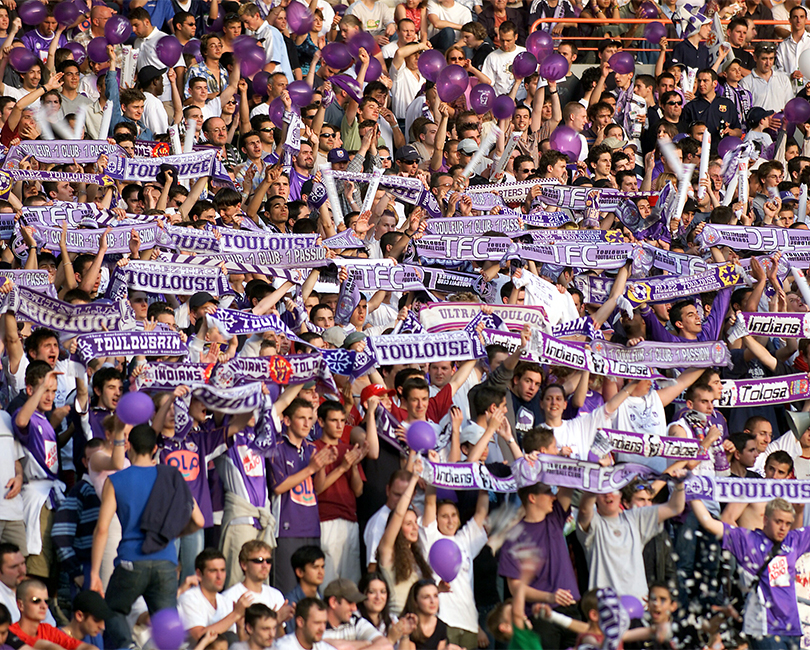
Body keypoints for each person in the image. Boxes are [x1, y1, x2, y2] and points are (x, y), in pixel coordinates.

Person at [89, 425, 204, 649]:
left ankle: (127, 646)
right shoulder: (171, 476)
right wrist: (172, 535)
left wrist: (95, 573)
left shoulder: (116, 480)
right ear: (154, 448)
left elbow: (102, 528)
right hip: (166, 561)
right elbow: (198, 521)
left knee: (112, 610)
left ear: (128, 445)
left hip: (131, 560)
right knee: (166, 630)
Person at [692, 497, 810, 649]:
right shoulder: (748, 540)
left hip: (792, 629)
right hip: (764, 629)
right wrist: (690, 492)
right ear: (765, 519)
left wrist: (799, 511)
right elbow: (708, 523)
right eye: (778, 521)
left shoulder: (792, 540)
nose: (783, 528)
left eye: (788, 523)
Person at [11, 578, 94, 650]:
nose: (44, 606)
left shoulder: (48, 630)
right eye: (36, 601)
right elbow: (48, 647)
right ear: (21, 605)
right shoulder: (10, 633)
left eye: (47, 601)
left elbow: (80, 646)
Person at [321, 578, 391, 650]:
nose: (354, 608)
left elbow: (386, 646)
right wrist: (366, 643)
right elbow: (340, 647)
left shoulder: (355, 621)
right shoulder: (316, 625)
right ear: (333, 602)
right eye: (350, 602)